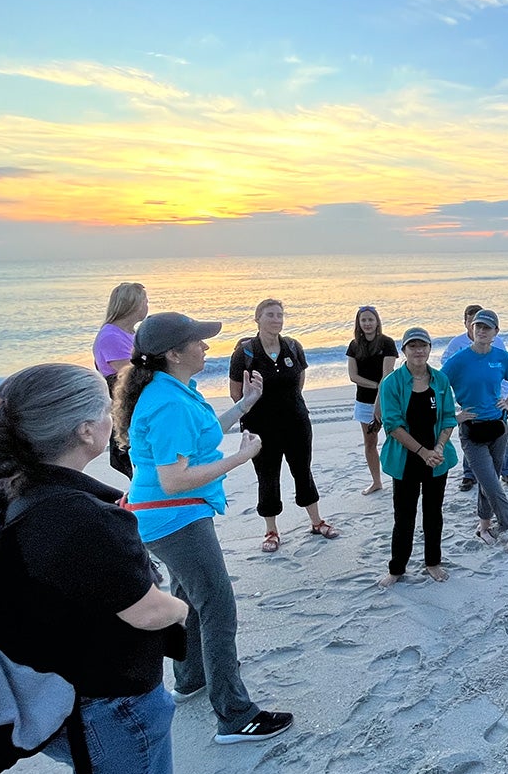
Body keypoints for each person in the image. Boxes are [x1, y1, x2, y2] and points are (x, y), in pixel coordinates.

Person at [0, 363, 189, 774]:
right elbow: (147, 612)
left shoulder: (9, 490)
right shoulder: (78, 517)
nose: (110, 420)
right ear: (85, 430)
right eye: (105, 411)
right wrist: (181, 609)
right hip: (107, 705)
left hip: (58, 693)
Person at [114, 312, 293, 744]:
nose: (206, 347)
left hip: (166, 514)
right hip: (175, 515)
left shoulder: (172, 390)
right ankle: (234, 716)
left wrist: (245, 404)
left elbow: (202, 435)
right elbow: (174, 478)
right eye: (197, 342)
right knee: (217, 606)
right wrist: (241, 457)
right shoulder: (169, 401)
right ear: (173, 354)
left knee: (190, 595)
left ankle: (190, 677)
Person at [229, 299, 336, 553]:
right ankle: (271, 531)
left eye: (279, 315)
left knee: (303, 471)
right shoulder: (244, 353)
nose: (276, 319)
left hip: (296, 423)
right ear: (257, 319)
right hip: (260, 428)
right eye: (270, 315)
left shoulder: (292, 346)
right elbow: (236, 395)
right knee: (267, 477)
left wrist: (286, 406)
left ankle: (316, 521)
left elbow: (298, 383)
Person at [376, 327, 459, 587]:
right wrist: (422, 452)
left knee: (433, 513)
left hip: (436, 459)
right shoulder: (392, 382)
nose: (418, 350)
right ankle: (397, 568)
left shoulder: (440, 380)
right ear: (404, 351)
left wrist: (438, 449)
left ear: (430, 349)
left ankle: (433, 562)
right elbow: (392, 424)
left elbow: (448, 417)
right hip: (407, 459)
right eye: (412, 346)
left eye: (423, 345)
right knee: (404, 516)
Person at [442, 309, 508, 552]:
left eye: (487, 327)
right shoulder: (458, 360)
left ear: (495, 332)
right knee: (490, 482)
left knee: (490, 481)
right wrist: (454, 416)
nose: (481, 330)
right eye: (477, 326)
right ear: (471, 329)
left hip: (498, 427)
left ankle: (484, 524)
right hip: (471, 431)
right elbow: (438, 387)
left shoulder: (500, 356)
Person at [440, 303, 508, 489]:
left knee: (498, 432)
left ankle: (507, 471)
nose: (478, 328)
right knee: (472, 434)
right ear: (466, 323)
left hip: (495, 398)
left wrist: (507, 400)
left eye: (484, 325)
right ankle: (469, 475)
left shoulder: (496, 343)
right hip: (471, 399)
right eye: (473, 322)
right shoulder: (457, 344)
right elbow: (446, 368)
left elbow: (506, 370)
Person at [93, 281, 149, 478]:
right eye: (145, 301)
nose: (147, 305)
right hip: (126, 402)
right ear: (132, 305)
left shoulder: (131, 333)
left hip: (136, 399)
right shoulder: (111, 336)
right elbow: (129, 373)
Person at [346, 305, 397, 495]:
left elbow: (387, 374)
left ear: (377, 322)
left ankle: (400, 478)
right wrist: (376, 387)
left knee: (396, 439)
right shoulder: (354, 345)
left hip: (389, 400)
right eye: (363, 320)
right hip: (364, 401)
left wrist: (380, 399)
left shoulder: (387, 343)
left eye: (370, 319)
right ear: (359, 323)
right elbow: (353, 376)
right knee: (370, 443)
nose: (367, 323)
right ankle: (376, 481)